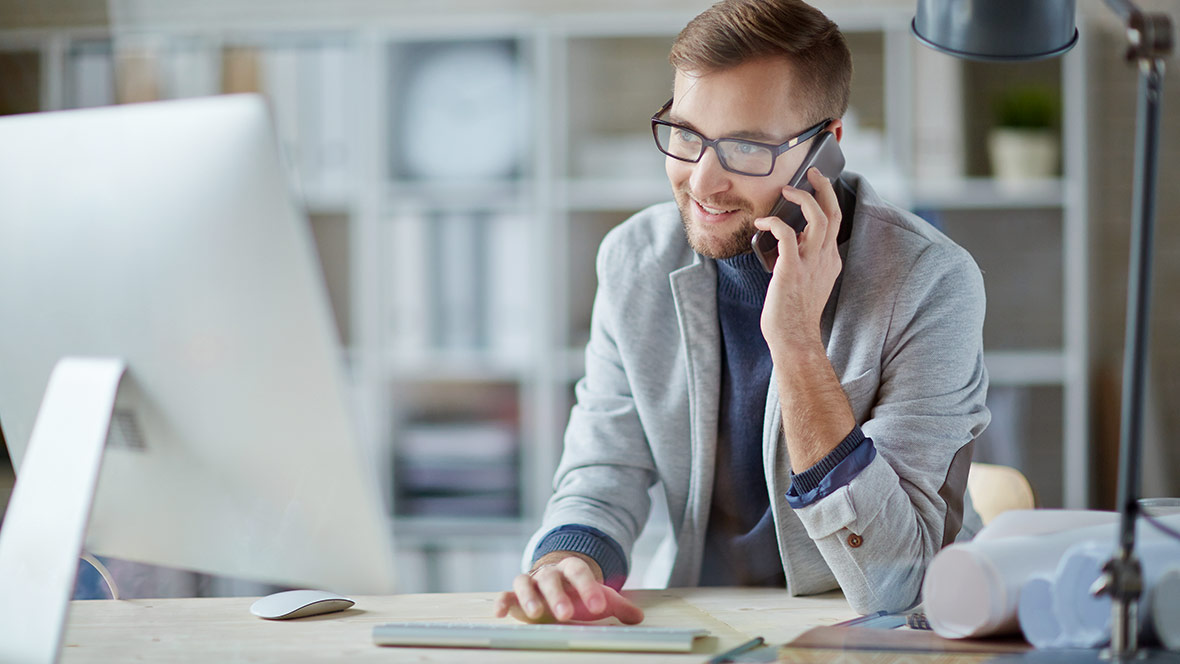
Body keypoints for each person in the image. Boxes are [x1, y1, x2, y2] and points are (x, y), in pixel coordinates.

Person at [494, 0, 988, 625]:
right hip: (707, 625)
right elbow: (604, 472)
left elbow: (899, 582)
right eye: (686, 135)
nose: (702, 182)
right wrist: (569, 561)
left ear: (825, 150)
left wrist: (797, 345)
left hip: (878, 634)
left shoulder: (930, 281)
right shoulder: (634, 260)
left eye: (747, 147)